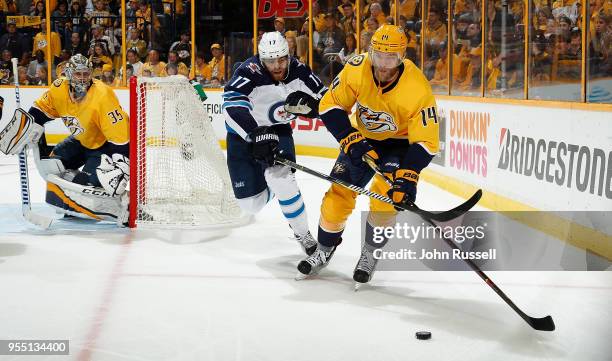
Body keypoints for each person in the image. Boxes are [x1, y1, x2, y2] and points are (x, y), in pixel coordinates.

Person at [290, 25, 440, 285]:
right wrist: (350, 138)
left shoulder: (418, 88)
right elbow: (331, 105)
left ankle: (370, 254)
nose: (383, 64)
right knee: (338, 195)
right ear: (370, 52)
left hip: (399, 145)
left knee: (384, 203)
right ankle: (325, 249)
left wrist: (408, 176)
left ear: (402, 56)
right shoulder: (357, 68)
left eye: (390, 57)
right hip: (363, 138)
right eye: (378, 55)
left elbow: (426, 142)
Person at [222, 31, 327, 255]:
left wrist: (316, 107)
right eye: (270, 61)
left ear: (288, 56)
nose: (277, 66)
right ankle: (274, 188)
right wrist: (253, 134)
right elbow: (232, 105)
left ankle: (302, 233)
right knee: (250, 205)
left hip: (278, 130)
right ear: (261, 59)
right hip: (244, 134)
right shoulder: (249, 71)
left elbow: (328, 98)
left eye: (281, 59)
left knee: (281, 177)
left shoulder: (300, 71)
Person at [0, 54, 130, 222]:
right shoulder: (59, 88)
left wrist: (120, 164)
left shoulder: (103, 95)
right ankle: (70, 199)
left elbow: (120, 136)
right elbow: (40, 111)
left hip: (104, 146)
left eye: (86, 74)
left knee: (89, 184)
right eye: (78, 74)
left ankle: (105, 205)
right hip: (81, 140)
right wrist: (25, 129)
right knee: (50, 164)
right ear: (69, 74)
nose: (83, 79)